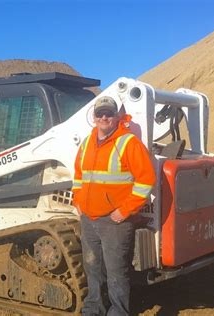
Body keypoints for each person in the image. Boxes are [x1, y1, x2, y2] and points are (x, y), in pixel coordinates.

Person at [72, 96, 156, 315]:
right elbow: (79, 176)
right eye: (100, 114)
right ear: (94, 117)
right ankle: (93, 310)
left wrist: (124, 211)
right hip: (89, 219)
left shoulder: (128, 143)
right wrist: (78, 201)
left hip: (114, 222)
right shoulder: (87, 142)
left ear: (117, 117)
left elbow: (146, 179)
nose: (104, 117)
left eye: (108, 113)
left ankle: (118, 312)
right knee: (93, 269)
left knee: (116, 273)